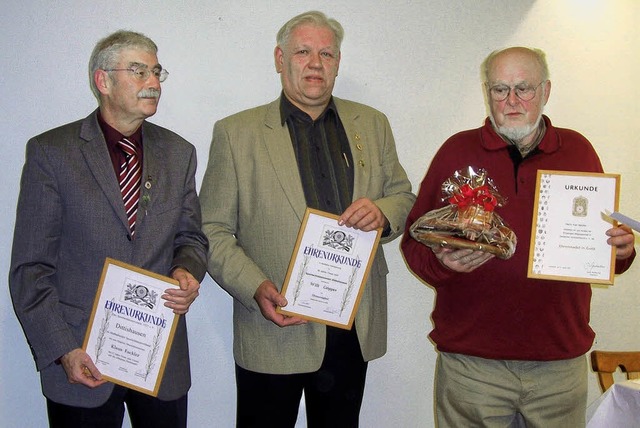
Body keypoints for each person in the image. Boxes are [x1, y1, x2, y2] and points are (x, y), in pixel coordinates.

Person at [199, 10, 415, 428]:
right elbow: (212, 230)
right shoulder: (235, 133)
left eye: (327, 54)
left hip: (352, 325)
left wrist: (384, 213)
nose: (316, 63)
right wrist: (255, 287)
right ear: (281, 59)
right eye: (303, 52)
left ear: (337, 62)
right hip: (274, 322)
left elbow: (403, 195)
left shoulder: (372, 123)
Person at [401, 46, 636, 427]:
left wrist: (620, 251)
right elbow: (414, 246)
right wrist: (443, 265)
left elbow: (600, 246)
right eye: (499, 89)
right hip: (472, 367)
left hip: (559, 366)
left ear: (545, 91)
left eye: (523, 89)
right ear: (487, 92)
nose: (511, 101)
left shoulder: (578, 150)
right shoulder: (456, 151)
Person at [9, 30, 208, 428]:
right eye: (138, 71)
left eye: (155, 71)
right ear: (103, 81)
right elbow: (30, 269)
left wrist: (187, 271)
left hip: (160, 358)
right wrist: (63, 348)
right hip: (82, 359)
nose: (153, 82)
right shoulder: (52, 152)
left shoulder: (179, 153)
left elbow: (192, 239)